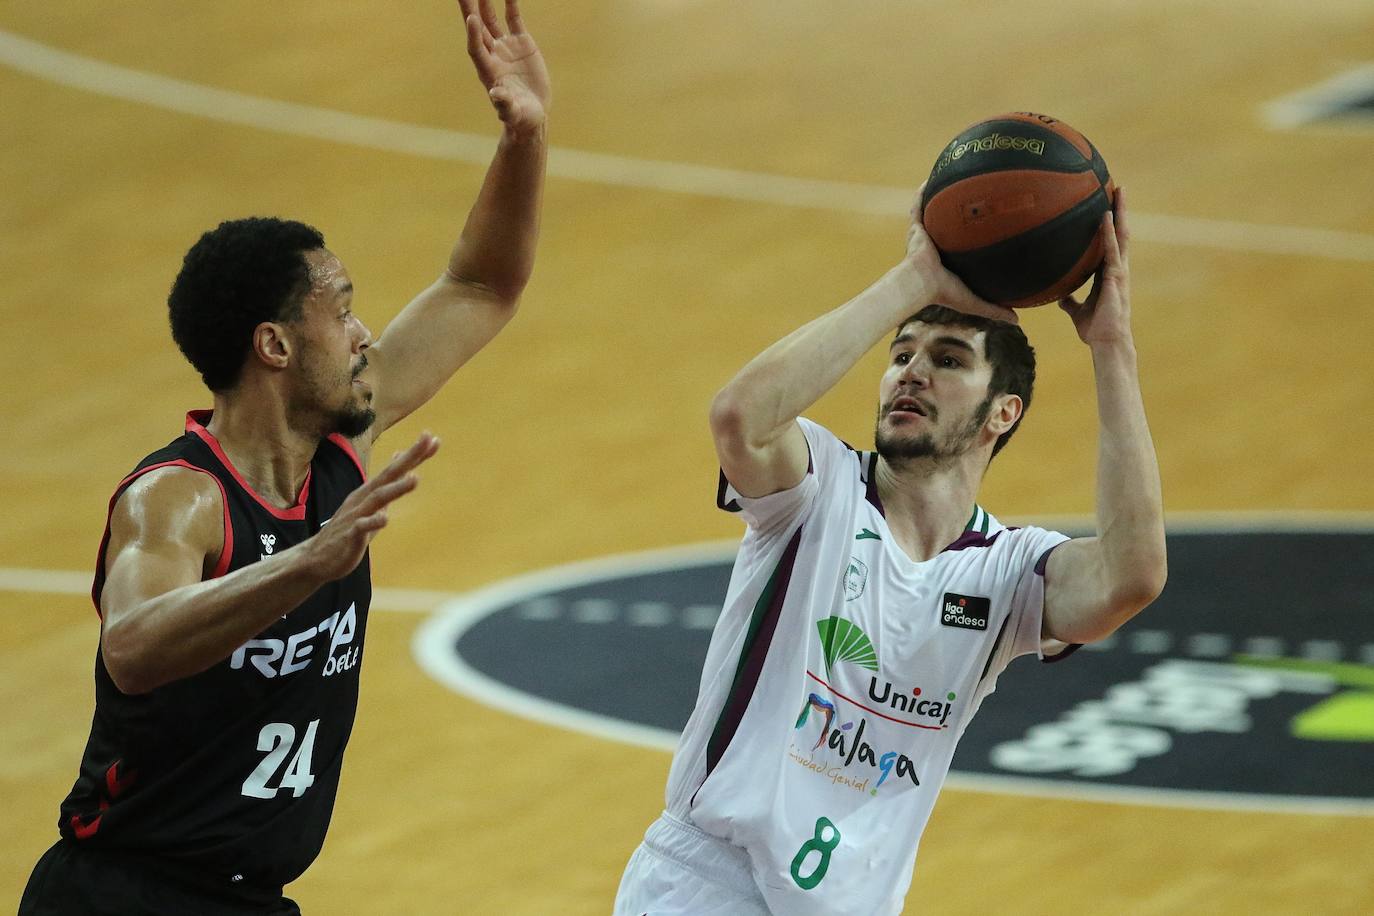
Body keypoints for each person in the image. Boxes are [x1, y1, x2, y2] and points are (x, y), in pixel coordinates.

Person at [18, 2, 548, 913]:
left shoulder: (341, 445)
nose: (364, 331)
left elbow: (481, 284)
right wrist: (308, 562)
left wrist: (526, 137)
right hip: (123, 895)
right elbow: (135, 648)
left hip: (249, 897)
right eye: (340, 309)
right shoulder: (179, 499)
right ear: (274, 345)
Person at [614, 187, 1166, 915]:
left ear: (1004, 412)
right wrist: (914, 280)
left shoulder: (1007, 571)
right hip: (710, 887)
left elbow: (1132, 576)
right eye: (901, 354)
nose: (911, 371)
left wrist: (1111, 348)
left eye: (947, 359)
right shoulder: (818, 488)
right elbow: (738, 419)